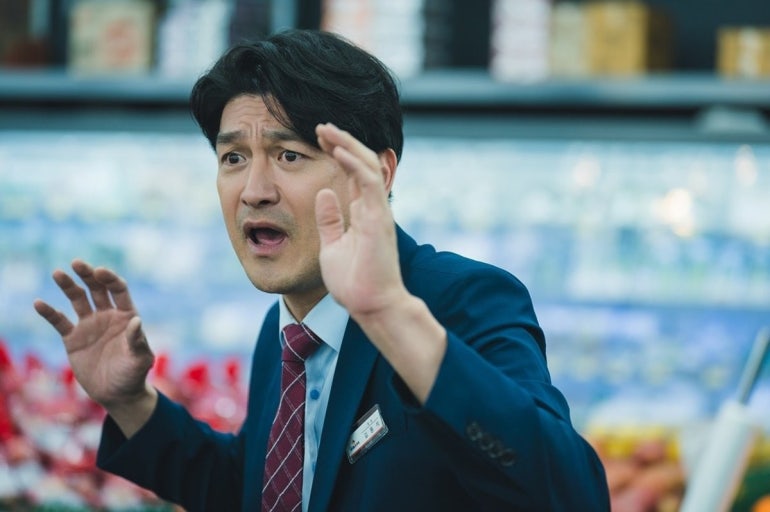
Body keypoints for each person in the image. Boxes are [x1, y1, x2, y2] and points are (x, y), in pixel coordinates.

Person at [33, 29, 610, 511]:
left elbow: (572, 495)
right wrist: (131, 401)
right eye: (233, 158)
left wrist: (393, 318)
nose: (254, 190)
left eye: (289, 155)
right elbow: (262, 489)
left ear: (377, 173)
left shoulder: (460, 299)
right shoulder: (285, 330)